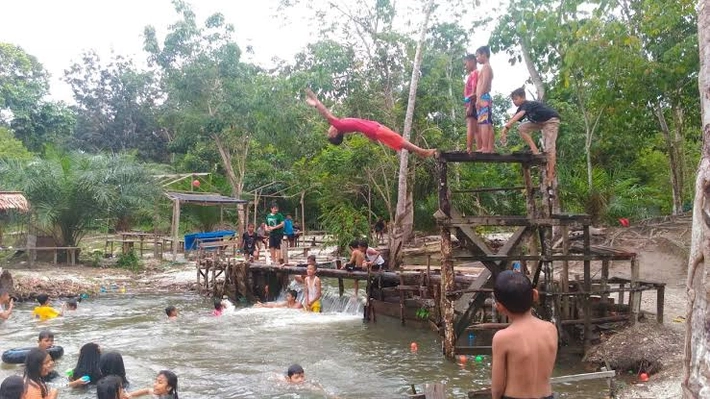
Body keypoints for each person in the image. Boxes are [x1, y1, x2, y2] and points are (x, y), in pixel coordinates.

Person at [305, 88, 436, 158]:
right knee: (398, 140)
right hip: (374, 130)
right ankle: (422, 152)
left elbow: (357, 126)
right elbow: (326, 114)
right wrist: (316, 103)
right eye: (329, 132)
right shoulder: (339, 126)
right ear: (334, 133)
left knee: (397, 140)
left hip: (375, 128)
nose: (328, 129)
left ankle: (418, 151)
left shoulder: (341, 125)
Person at [491, 270, 557, 399]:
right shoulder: (551, 329)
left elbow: (497, 387)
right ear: (535, 294)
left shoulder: (502, 338)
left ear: (499, 307)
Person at [501, 88, 561, 183]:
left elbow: (519, 115)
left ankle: (550, 174)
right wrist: (504, 132)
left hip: (551, 121)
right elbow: (514, 118)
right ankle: (535, 150)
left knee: (549, 148)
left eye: (515, 99)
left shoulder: (527, 104)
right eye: (513, 100)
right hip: (541, 122)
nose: (514, 102)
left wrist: (506, 128)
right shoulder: (522, 107)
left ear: (523, 97)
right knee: (522, 128)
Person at [475, 46, 495, 153]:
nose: (477, 58)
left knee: (483, 123)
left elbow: (485, 82)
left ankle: (485, 147)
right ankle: (490, 147)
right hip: (485, 97)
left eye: (478, 56)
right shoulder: (487, 67)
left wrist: (479, 97)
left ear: (484, 54)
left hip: (483, 97)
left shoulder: (486, 67)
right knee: (488, 124)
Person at [464, 53, 480, 153]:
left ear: (472, 61)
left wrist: (470, 105)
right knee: (477, 128)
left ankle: (469, 148)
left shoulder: (474, 73)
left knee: (470, 125)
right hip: (474, 102)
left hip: (472, 102)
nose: (465, 67)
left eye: (466, 64)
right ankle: (480, 148)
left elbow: (474, 90)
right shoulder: (476, 73)